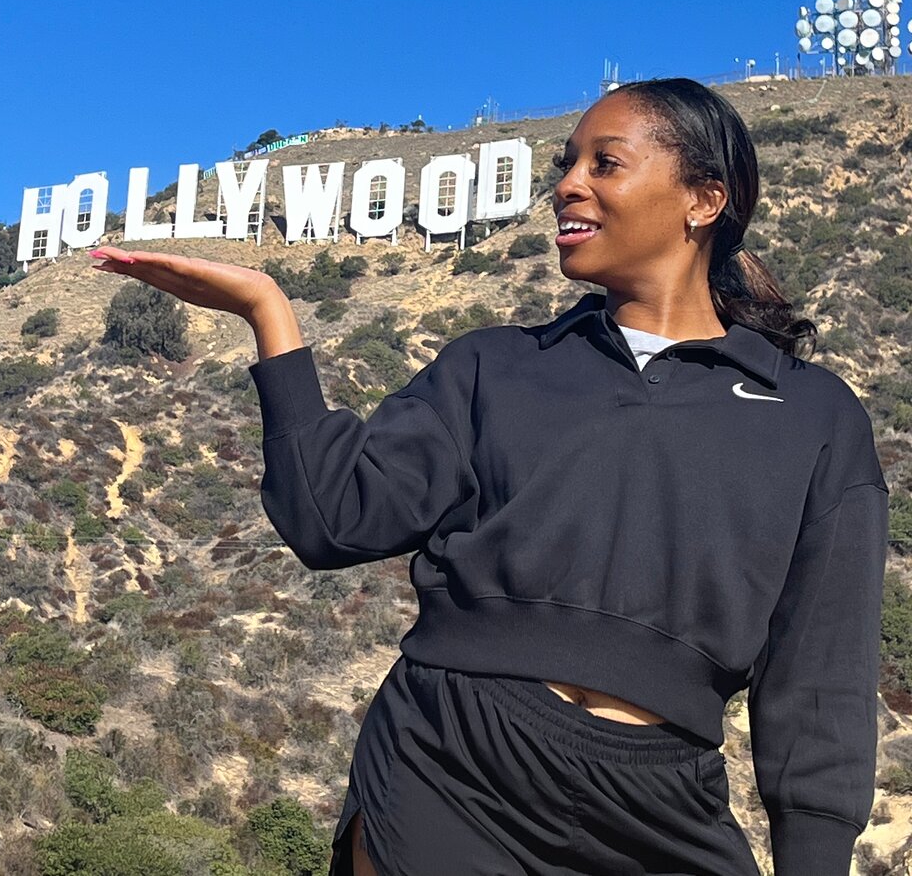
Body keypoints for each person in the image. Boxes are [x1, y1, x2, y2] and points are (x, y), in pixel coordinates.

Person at [91, 77, 889, 876]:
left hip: (661, 810)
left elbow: (820, 683)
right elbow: (330, 518)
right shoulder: (493, 367)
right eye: (565, 164)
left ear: (703, 199)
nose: (566, 185)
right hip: (450, 765)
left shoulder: (813, 416)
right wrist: (268, 312)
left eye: (604, 164)